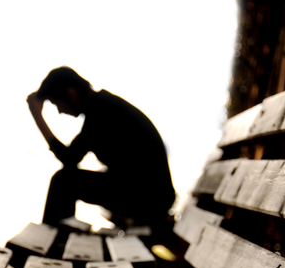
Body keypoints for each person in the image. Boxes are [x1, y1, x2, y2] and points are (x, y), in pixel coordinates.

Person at [27, 66, 176, 231]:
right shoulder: (102, 106)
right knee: (66, 180)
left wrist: (37, 117)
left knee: (63, 181)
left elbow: (69, 158)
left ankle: (46, 243)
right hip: (151, 195)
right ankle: (55, 238)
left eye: (57, 104)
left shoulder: (101, 111)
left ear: (71, 94)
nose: (60, 111)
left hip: (150, 200)